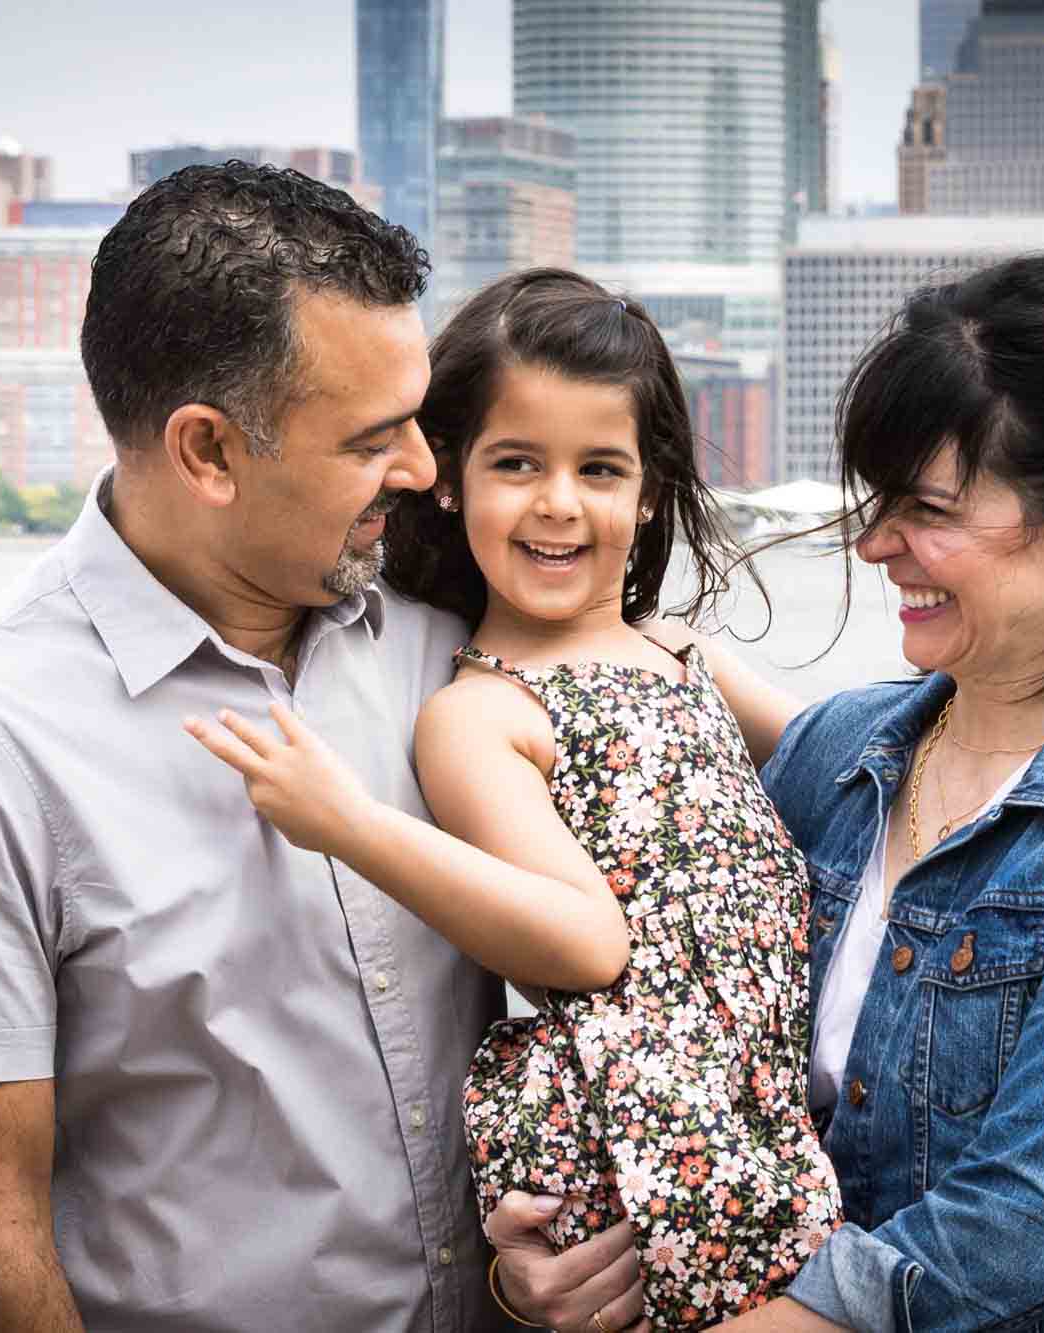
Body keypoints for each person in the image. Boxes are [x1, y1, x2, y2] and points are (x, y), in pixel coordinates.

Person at [0, 165, 633, 1331]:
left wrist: (522, 1273)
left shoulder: (460, 653)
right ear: (206, 451)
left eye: (420, 419)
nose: (420, 468)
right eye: (374, 437)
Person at [185, 268, 842, 1330]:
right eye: (515, 463)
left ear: (648, 489)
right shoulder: (482, 712)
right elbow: (583, 943)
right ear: (448, 479)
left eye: (598, 468)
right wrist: (346, 823)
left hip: (770, 1133)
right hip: (656, 1163)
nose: (557, 502)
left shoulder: (679, 656)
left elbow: (850, 763)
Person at [634, 256, 1044, 1331]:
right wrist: (563, 1255)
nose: (874, 545)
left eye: (924, 510)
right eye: (878, 503)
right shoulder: (833, 750)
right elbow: (677, 1050)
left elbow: (1008, 1231)